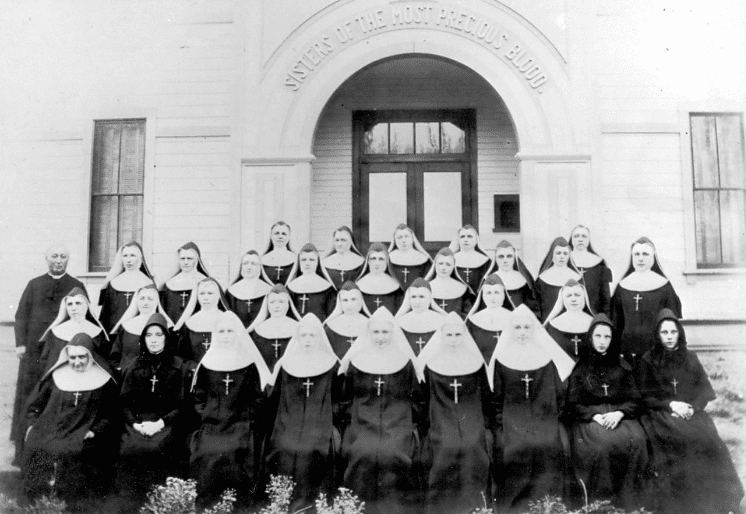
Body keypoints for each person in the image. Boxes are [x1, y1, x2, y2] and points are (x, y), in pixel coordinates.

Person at [636, 309, 743, 514]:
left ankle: (717, 500)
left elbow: (704, 391)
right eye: (664, 333)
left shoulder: (690, 357)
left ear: (680, 333)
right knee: (679, 440)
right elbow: (645, 396)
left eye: (673, 332)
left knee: (709, 440)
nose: (669, 337)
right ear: (657, 335)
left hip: (690, 412)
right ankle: (681, 502)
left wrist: (691, 406)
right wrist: (671, 405)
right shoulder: (648, 360)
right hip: (660, 413)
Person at [488, 304, 576, 512]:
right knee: (515, 447)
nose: (522, 333)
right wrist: (504, 424)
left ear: (534, 329)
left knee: (548, 445)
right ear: (511, 330)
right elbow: (497, 400)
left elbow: (557, 395)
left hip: (544, 418)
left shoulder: (546, 357)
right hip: (513, 421)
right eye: (517, 328)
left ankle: (548, 504)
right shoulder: (502, 358)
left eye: (527, 328)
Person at [338, 307, 425, 514]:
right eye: (375, 332)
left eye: (385, 332)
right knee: (362, 453)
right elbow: (346, 398)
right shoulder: (358, 361)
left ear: (393, 333)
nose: (380, 337)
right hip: (362, 425)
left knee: (393, 454)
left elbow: (418, 400)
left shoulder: (404, 362)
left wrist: (403, 420)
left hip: (397, 425)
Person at [23, 333, 118, 507]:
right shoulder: (57, 376)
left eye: (82, 356)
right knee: (36, 446)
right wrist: (31, 425)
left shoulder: (103, 380)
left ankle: (72, 504)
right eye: (72, 357)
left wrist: (94, 431)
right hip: (53, 429)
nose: (77, 362)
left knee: (73, 452)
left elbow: (110, 415)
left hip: (83, 432)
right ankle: (42, 502)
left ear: (90, 355)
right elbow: (35, 406)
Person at [12, 244, 86, 465]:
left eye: (63, 256)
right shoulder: (34, 284)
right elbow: (21, 315)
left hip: (60, 351)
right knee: (29, 397)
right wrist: (20, 344)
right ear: (46, 258)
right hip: (33, 352)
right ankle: (21, 451)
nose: (58, 260)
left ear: (68, 260)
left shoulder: (76, 285)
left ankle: (51, 448)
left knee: (53, 396)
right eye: (54, 256)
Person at [566, 314, 649, 510]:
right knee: (602, 447)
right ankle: (603, 504)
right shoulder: (581, 369)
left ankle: (631, 502)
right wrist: (594, 416)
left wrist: (619, 413)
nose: (602, 342)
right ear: (590, 338)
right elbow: (573, 404)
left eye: (607, 337)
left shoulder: (622, 367)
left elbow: (635, 399)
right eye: (598, 336)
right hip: (591, 418)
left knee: (636, 441)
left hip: (620, 415)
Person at [189, 311, 270, 508]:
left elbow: (258, 399)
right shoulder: (207, 364)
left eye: (230, 331)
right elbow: (199, 398)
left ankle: (238, 506)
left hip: (241, 424)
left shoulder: (249, 364)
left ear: (238, 334)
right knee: (208, 452)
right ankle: (209, 506)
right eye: (222, 331)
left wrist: (247, 419)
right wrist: (207, 416)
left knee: (236, 453)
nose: (226, 335)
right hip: (212, 424)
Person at [417, 312, 494, 514]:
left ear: (464, 335)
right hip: (441, 418)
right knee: (446, 447)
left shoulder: (475, 363)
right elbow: (424, 398)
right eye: (449, 335)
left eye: (457, 335)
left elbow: (485, 397)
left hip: (471, 418)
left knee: (472, 448)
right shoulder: (431, 364)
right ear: (441, 336)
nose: (453, 340)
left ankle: (474, 506)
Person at [265, 313, 343, 513]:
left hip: (320, 424)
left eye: (313, 335)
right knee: (284, 448)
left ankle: (311, 507)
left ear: (320, 338)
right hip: (288, 423)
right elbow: (274, 401)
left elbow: (341, 399)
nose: (308, 340)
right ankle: (283, 504)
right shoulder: (286, 364)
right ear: (297, 337)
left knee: (312, 450)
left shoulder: (332, 364)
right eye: (304, 335)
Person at [117, 313, 190, 509]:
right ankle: (134, 506)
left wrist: (159, 424)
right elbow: (124, 403)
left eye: (158, 335)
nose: (154, 340)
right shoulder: (134, 366)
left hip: (167, 423)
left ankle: (163, 505)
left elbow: (182, 405)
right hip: (138, 424)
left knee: (159, 448)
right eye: (149, 335)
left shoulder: (178, 366)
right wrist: (135, 424)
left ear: (166, 337)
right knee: (131, 448)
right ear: (143, 339)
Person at [611, 237, 682, 364]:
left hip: (656, 351)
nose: (640, 258)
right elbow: (616, 323)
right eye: (636, 254)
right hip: (627, 351)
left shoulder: (663, 286)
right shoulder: (622, 286)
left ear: (653, 257)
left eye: (645, 254)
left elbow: (672, 322)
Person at [39, 287, 109, 373]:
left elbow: (102, 361)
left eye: (78, 303)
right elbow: (46, 362)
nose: (73, 308)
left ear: (86, 306)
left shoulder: (97, 332)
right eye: (70, 304)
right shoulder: (55, 332)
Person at [109, 284, 173, 374]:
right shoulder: (125, 326)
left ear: (157, 301)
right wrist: (121, 370)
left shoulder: (168, 328)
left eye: (150, 299)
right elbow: (114, 357)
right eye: (142, 298)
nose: (145, 303)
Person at [98, 241, 156, 333]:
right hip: (113, 333)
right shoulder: (113, 283)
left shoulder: (147, 283)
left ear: (139, 259)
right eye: (125, 256)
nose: (128, 260)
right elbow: (105, 315)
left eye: (132, 255)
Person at [174, 277, 229, 371]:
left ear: (219, 295)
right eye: (202, 293)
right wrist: (192, 366)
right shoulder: (189, 323)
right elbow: (181, 355)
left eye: (210, 293)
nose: (206, 298)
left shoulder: (228, 320)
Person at [247, 284, 301, 370]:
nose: (277, 306)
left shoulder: (298, 328)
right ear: (267, 304)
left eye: (281, 302)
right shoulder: (259, 330)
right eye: (272, 302)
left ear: (288, 304)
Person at [465, 274, 515, 363]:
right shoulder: (473, 321)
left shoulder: (515, 319)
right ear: (482, 296)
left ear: (504, 295)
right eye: (488, 293)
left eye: (497, 292)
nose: (493, 297)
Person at [159, 242, 211, 326]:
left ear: (196, 260)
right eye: (182, 258)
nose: (185, 262)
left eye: (189, 259)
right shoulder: (170, 283)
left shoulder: (204, 282)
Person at [543, 279, 595, 361]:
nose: (573, 299)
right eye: (569, 296)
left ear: (584, 298)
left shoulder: (594, 324)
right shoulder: (552, 325)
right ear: (562, 299)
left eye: (577, 295)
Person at [394, 278, 447, 356]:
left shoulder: (442, 320)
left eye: (421, 297)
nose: (417, 301)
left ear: (429, 298)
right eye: (413, 297)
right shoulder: (400, 321)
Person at [535, 237, 582, 322]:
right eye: (558, 253)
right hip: (547, 324)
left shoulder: (577, 278)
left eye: (565, 253)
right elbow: (536, 307)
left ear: (569, 256)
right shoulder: (542, 279)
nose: (561, 256)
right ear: (552, 255)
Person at [569, 226, 613, 316]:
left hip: (594, 314)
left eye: (584, 236)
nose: (580, 239)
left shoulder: (598, 263)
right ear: (571, 239)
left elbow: (605, 298)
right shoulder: (565, 261)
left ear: (589, 239)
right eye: (576, 236)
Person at [286, 243, 337, 320]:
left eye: (311, 260)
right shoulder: (291, 287)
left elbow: (330, 313)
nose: (307, 263)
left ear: (317, 262)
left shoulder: (327, 288)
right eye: (303, 260)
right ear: (299, 263)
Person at [225, 250, 273, 328]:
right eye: (245, 263)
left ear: (259, 267)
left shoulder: (268, 290)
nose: (249, 267)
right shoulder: (231, 291)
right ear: (241, 266)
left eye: (253, 264)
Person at [324, 281, 371, 359]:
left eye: (353, 299)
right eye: (345, 300)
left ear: (360, 301)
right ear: (340, 302)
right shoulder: (330, 327)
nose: (349, 304)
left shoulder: (370, 325)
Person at [486, 240, 536, 309]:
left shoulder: (523, 279)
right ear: (496, 259)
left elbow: (531, 305)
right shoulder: (489, 280)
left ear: (514, 258)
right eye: (501, 256)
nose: (505, 260)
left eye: (509, 256)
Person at [425, 247, 474, 318]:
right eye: (440, 263)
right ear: (435, 265)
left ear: (453, 266)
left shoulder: (462, 289)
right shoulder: (425, 288)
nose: (443, 268)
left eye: (448, 264)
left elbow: (466, 315)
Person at [356, 243, 405, 314]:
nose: (377, 263)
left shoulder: (396, 287)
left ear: (387, 261)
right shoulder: (359, 285)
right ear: (368, 261)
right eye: (373, 258)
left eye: (381, 259)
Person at [450, 225, 492, 295]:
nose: (465, 240)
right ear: (458, 240)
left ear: (476, 240)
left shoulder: (485, 261)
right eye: (462, 237)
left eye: (469, 236)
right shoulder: (450, 260)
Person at [388, 224, 432, 289]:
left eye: (406, 236)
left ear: (412, 238)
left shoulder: (424, 259)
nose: (403, 240)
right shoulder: (387, 259)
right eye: (400, 237)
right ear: (395, 240)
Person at [321, 226, 366, 290]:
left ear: (350, 242)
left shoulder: (360, 263)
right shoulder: (325, 263)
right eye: (337, 240)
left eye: (343, 240)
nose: (339, 244)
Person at [262, 221, 296, 285]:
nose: (280, 236)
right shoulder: (263, 260)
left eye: (284, 234)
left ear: (289, 237)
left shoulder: (295, 259)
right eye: (276, 233)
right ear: (271, 236)